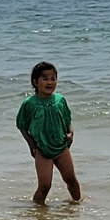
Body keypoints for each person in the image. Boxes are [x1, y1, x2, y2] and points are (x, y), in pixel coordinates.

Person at [16, 61, 82, 205]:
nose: (50, 82)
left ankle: (78, 204)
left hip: (61, 146)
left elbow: (66, 118)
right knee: (45, 185)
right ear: (35, 82)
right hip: (42, 149)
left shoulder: (60, 100)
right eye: (45, 78)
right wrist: (31, 144)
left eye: (53, 78)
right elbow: (22, 125)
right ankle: (37, 210)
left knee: (71, 179)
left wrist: (71, 132)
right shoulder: (29, 103)